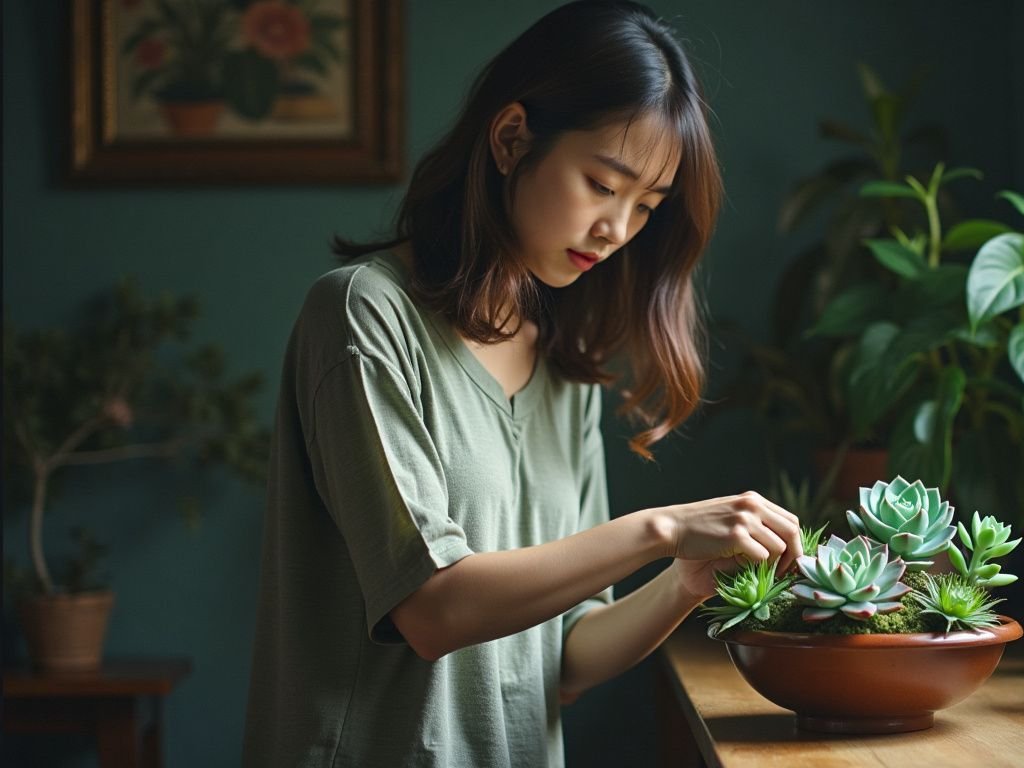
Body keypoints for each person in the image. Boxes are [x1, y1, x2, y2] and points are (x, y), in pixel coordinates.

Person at [241, 2, 802, 765]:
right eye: (603, 184)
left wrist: (684, 582)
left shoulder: (563, 365)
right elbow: (432, 612)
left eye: (646, 207)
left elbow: (566, 659)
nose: (618, 230)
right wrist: (660, 529)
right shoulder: (362, 314)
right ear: (511, 139)